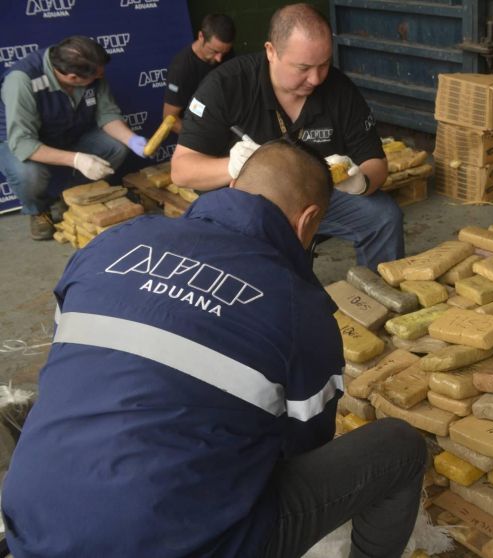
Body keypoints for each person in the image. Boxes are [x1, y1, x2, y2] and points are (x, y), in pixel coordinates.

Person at [1, 140, 427, 558]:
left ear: (235, 185)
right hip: (188, 543)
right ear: (308, 220)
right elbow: (304, 445)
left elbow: (66, 355)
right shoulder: (300, 308)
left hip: (32, 529)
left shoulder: (112, 244)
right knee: (400, 448)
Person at [171, 3, 404, 270]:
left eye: (324, 64)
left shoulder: (339, 89)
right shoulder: (226, 86)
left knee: (383, 216)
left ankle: (377, 291)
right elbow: (181, 170)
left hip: (315, 196)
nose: (316, 79)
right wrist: (233, 166)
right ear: (271, 52)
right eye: (303, 68)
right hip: (245, 204)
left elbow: (376, 162)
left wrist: (362, 183)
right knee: (264, 262)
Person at [0, 36, 148, 240]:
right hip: (18, 141)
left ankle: (71, 198)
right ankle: (39, 210)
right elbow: (23, 143)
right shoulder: (22, 80)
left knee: (115, 146)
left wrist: (131, 139)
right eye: (97, 75)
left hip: (67, 132)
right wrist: (77, 160)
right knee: (28, 174)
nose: (102, 76)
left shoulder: (90, 68)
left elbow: (107, 114)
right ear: (72, 78)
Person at [163, 13, 236, 135]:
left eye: (224, 53)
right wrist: (202, 138)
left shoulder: (225, 53)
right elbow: (170, 119)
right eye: (214, 51)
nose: (219, 58)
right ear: (201, 36)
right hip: (199, 130)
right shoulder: (181, 68)